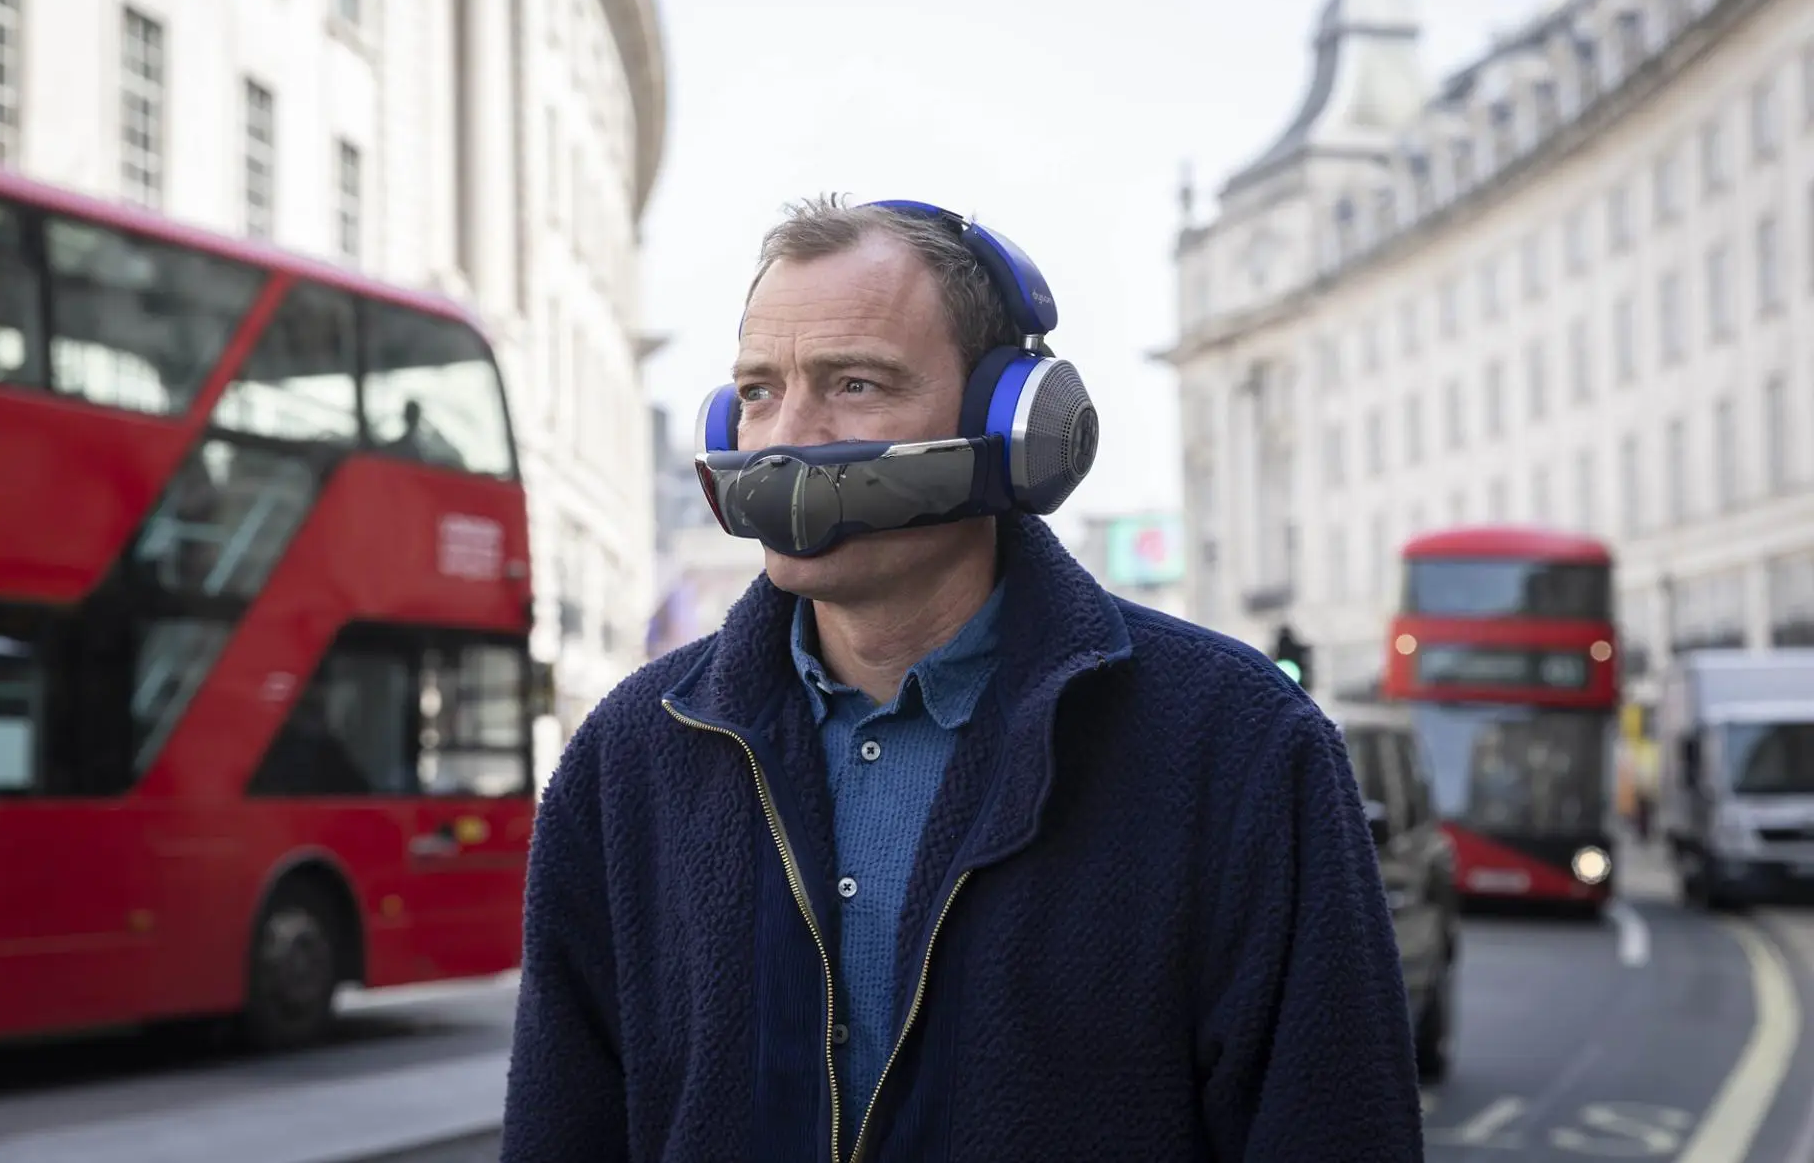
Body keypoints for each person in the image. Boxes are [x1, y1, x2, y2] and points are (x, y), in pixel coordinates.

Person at [502, 196, 1424, 1162]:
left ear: (1019, 426)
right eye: (759, 391)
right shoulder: (629, 754)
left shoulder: (1240, 746)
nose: (784, 438)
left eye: (855, 383)